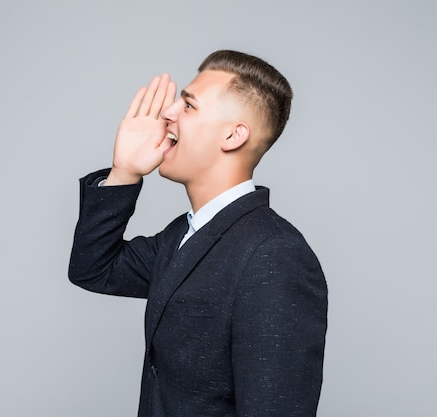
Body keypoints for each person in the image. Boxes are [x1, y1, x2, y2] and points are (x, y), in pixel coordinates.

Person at [68, 50, 328, 416]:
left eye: (188, 106)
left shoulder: (275, 254)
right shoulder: (181, 236)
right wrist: (124, 171)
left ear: (234, 135)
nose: (168, 113)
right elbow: (94, 268)